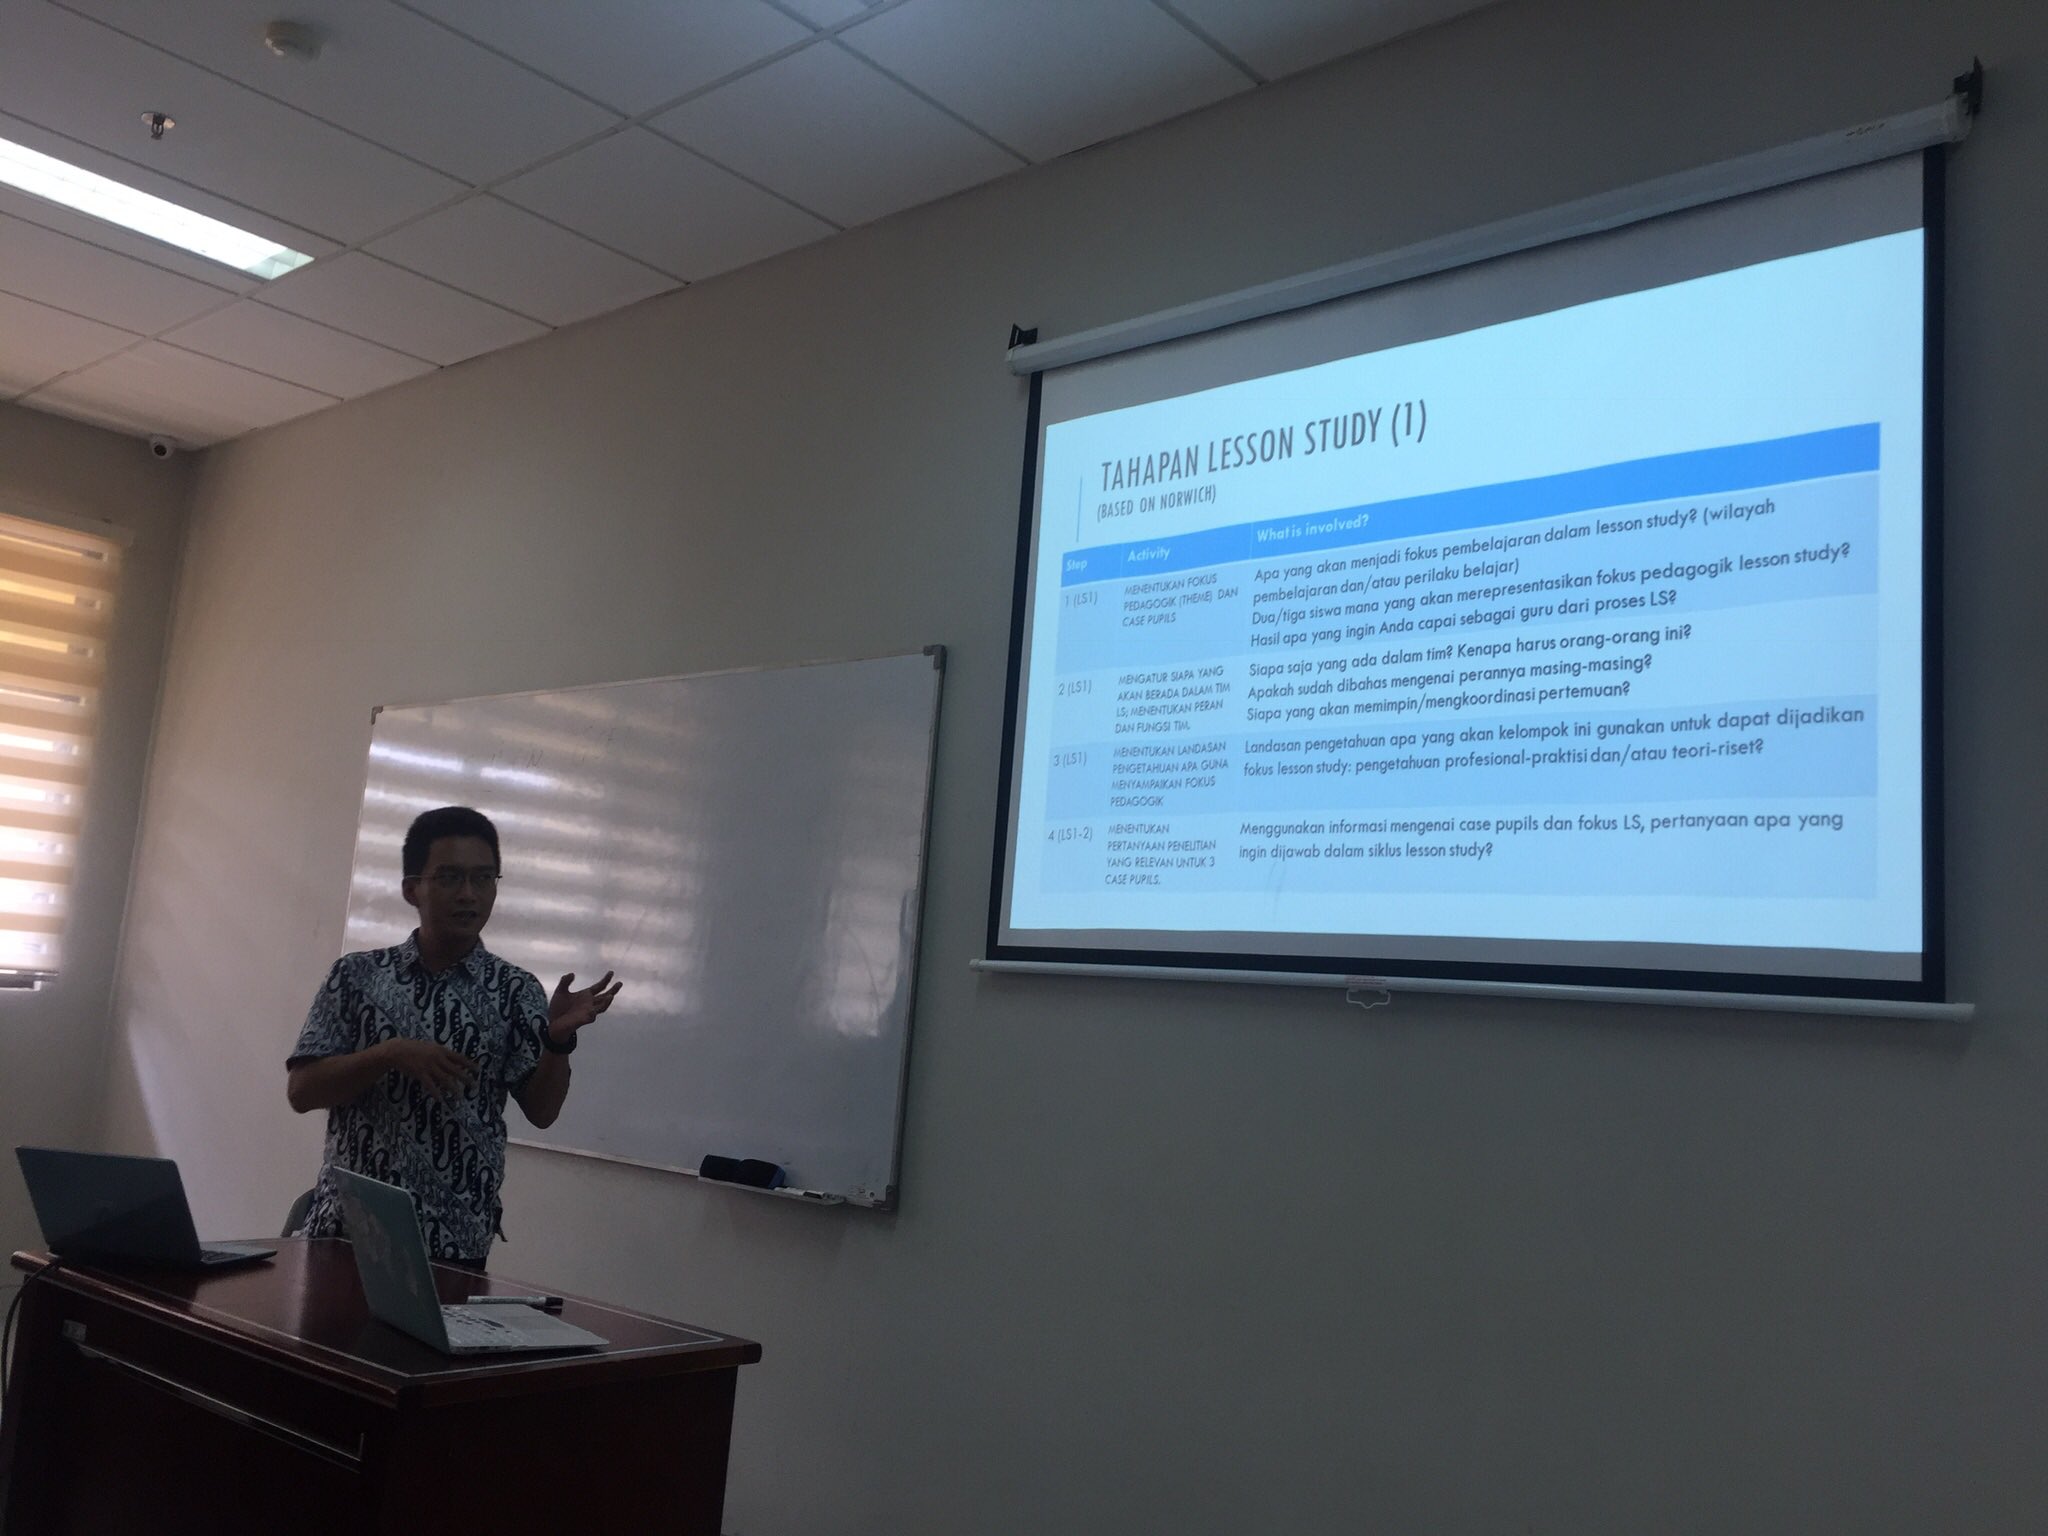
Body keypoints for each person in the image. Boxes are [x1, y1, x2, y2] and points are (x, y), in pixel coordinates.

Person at [285, 805, 621, 1267]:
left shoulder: (515, 989)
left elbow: (542, 1112)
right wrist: (389, 1054)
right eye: (449, 877)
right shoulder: (356, 977)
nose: (469, 894)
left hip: (454, 1244)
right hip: (347, 1233)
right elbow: (302, 1092)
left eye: (483, 878)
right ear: (412, 889)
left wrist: (557, 1042)